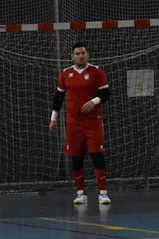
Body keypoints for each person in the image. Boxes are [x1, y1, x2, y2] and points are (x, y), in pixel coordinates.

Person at [49, 42, 111, 205]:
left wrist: (93, 101)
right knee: (76, 157)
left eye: (83, 53)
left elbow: (106, 94)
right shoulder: (66, 74)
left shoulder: (97, 72)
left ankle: (102, 193)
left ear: (87, 55)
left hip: (93, 122)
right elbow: (58, 97)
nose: (80, 56)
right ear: (72, 56)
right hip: (73, 124)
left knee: (97, 154)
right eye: (77, 53)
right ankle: (80, 193)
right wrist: (53, 118)